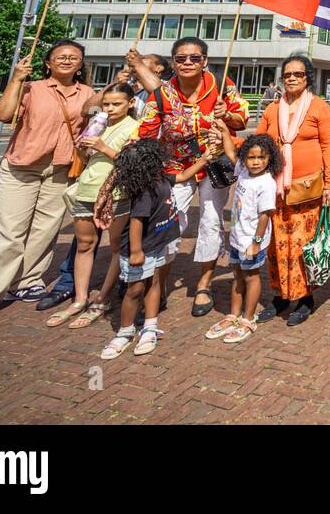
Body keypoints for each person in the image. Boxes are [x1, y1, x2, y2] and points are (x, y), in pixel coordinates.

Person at [0, 40, 98, 328]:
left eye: (74, 58)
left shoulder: (87, 93)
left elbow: (95, 117)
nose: (67, 61)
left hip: (60, 169)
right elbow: (4, 115)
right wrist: (17, 78)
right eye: (61, 57)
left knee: (45, 231)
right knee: (9, 234)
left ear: (81, 64)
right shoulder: (32, 87)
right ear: (48, 62)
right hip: (22, 167)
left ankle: (26, 281)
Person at [133, 38, 248, 318]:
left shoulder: (220, 84)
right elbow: (146, 129)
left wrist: (227, 115)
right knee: (170, 222)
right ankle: (157, 286)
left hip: (213, 166)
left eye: (194, 58)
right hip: (176, 167)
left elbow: (242, 117)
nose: (187, 63)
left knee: (210, 220)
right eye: (181, 58)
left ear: (204, 61)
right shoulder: (163, 91)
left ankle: (204, 285)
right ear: (173, 63)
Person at [99, 138, 215, 359]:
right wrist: (135, 251)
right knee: (135, 290)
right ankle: (125, 331)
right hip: (142, 248)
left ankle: (150, 326)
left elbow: (182, 176)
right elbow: (136, 222)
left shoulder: (161, 180)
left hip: (157, 245)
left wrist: (204, 159)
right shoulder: (145, 192)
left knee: (153, 284)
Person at [249, 52, 330, 326]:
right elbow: (258, 141)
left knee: (302, 246)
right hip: (275, 190)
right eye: (287, 74)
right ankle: (281, 296)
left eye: (298, 74)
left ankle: (305, 298)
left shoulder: (319, 107)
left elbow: (328, 147)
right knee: (277, 247)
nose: (291, 78)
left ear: (307, 78)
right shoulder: (273, 109)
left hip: (308, 190)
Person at [44, 82, 140, 329]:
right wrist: (84, 148)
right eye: (106, 104)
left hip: (116, 191)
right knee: (85, 243)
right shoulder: (98, 123)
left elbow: (132, 163)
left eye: (117, 104)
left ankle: (104, 296)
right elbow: (86, 158)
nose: (110, 108)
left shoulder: (135, 127)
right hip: (87, 187)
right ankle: (80, 297)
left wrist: (102, 147)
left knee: (118, 245)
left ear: (130, 104)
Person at [205, 132, 281, 344]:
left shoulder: (266, 183)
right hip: (238, 237)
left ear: (269, 159)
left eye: (261, 158)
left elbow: (265, 215)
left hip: (252, 240)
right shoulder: (243, 171)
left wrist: (256, 243)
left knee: (251, 276)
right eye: (251, 157)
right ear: (245, 158)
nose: (256, 162)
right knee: (238, 273)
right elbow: (230, 152)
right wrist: (222, 130)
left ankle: (248, 318)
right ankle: (233, 315)